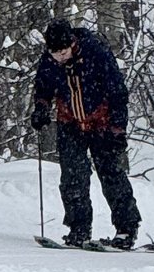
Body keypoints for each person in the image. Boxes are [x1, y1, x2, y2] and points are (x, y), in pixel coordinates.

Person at [30, 18, 143, 248]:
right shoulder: (49, 60)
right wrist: (41, 107)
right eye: (55, 53)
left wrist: (118, 129)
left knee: (111, 173)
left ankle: (126, 229)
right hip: (69, 123)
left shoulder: (96, 52)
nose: (60, 57)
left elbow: (117, 91)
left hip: (102, 123)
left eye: (63, 52)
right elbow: (43, 87)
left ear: (72, 43)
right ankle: (78, 228)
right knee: (73, 177)